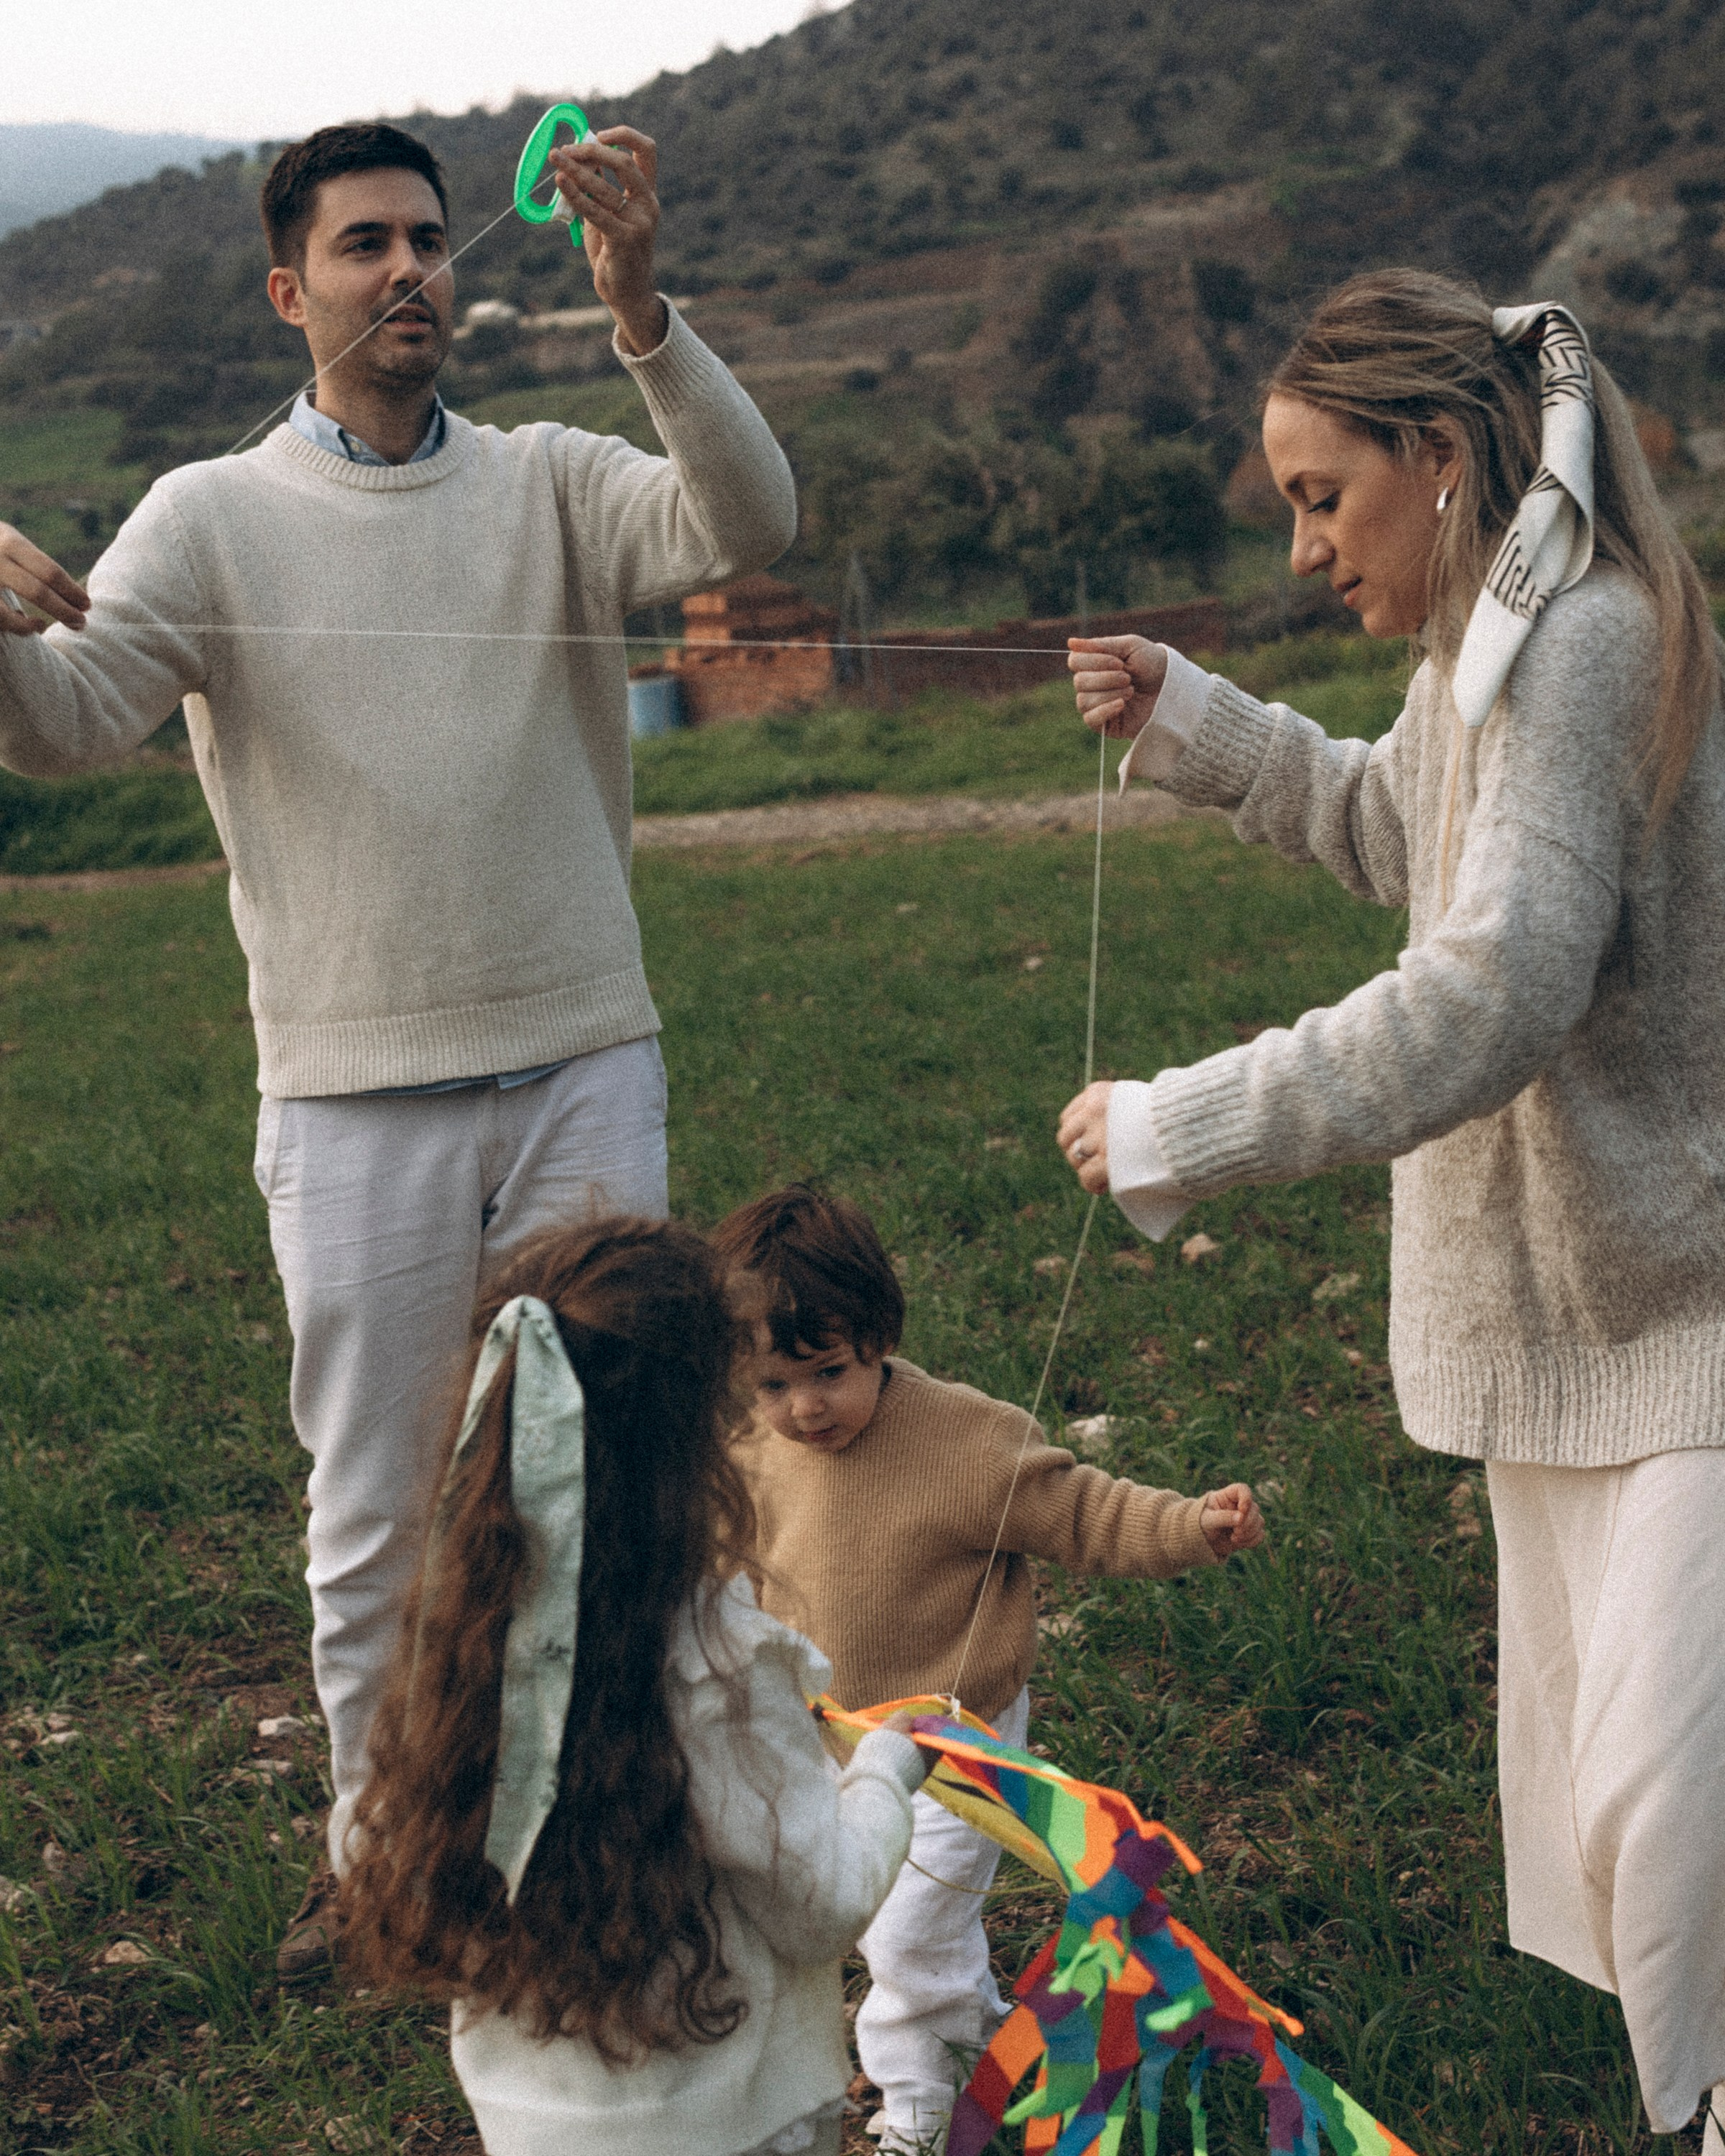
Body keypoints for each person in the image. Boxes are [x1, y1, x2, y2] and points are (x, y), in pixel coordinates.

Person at [0, 121, 797, 1973]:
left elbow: (747, 529)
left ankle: (611, 1835)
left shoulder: (550, 479)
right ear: (294, 292)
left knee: (618, 1473)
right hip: (350, 1099)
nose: (408, 270)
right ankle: (381, 1864)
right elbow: (57, 726)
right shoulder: (205, 516)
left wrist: (644, 312)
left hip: (586, 1051)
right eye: (364, 246)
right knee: (375, 1517)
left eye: (429, 239)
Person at [1062, 270, 1725, 2152]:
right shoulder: (1484, 654)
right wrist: (1195, 718)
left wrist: (1186, 1122)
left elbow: (1501, 977)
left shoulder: (1580, 635)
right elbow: (1398, 837)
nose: (1301, 539)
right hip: (1580, 1319)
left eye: (1320, 493)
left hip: (1692, 1302)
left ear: (1439, 460)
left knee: (1671, 1817)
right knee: (1628, 1832)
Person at [338, 1215, 928, 2156]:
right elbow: (819, 1906)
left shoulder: (456, 1636)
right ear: (690, 1446)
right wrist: (887, 1775)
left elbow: (368, 1832)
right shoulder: (718, 1662)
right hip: (734, 2120)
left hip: (536, 2129)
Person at [712, 1184, 1265, 2153]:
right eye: (772, 1385)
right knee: (825, 1910)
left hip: (948, 1739)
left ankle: (915, 2096)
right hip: (815, 1730)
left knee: (905, 1920)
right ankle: (972, 2030)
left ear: (878, 1334)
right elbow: (717, 1553)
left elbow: (1086, 1510)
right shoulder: (751, 1449)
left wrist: (1193, 1525)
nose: (803, 1408)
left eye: (828, 1372)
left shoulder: (964, 1441)